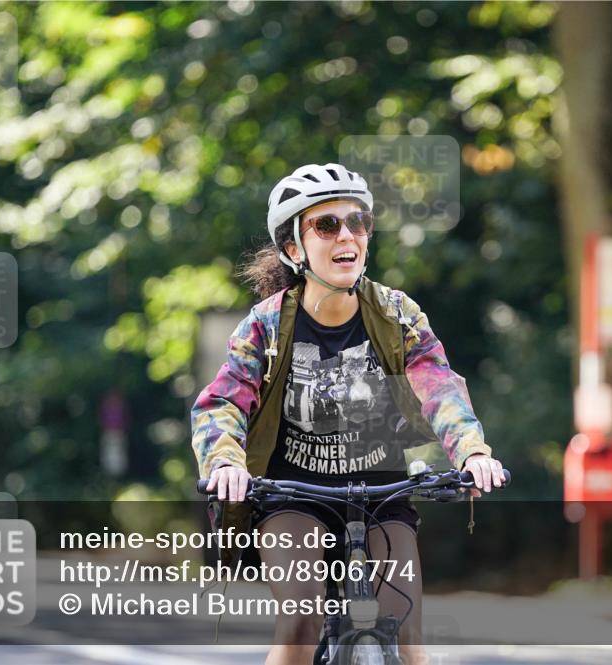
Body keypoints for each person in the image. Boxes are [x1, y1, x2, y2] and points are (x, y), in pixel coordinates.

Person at [192, 163, 506, 665]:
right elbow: (224, 401)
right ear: (294, 248)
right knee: (300, 621)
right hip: (294, 496)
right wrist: (225, 464)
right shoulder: (267, 325)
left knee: (408, 634)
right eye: (327, 225)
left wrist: (472, 452)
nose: (347, 235)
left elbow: (438, 387)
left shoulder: (397, 315)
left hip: (383, 494)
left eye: (357, 222)